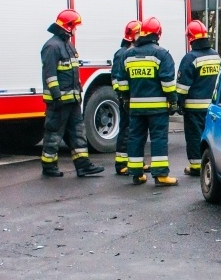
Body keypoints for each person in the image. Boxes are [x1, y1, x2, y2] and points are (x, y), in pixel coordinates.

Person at [40, 9, 104, 177]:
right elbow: (50, 74)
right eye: (75, 26)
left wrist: (79, 92)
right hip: (59, 101)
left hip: (73, 99)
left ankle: (83, 165)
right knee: (54, 133)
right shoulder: (52, 46)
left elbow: (73, 72)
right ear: (67, 27)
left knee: (78, 132)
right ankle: (49, 166)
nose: (76, 30)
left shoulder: (67, 45)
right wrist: (57, 96)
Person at [122, 16, 179, 186]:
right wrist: (173, 101)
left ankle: (136, 174)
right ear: (158, 34)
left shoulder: (128, 55)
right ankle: (161, 175)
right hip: (157, 108)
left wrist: (125, 99)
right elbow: (168, 83)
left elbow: (122, 82)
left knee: (136, 138)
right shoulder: (162, 54)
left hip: (136, 108)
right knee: (159, 139)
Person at [176, 20, 221, 176]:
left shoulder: (190, 58)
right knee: (211, 136)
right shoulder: (216, 56)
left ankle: (196, 166)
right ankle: (210, 164)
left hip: (194, 108)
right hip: (213, 107)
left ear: (191, 38)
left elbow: (182, 87)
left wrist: (178, 103)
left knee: (195, 136)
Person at [111, 20, 149, 175]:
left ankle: (136, 161)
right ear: (134, 35)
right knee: (127, 129)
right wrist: (122, 95)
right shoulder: (122, 53)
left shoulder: (131, 51)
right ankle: (121, 164)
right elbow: (115, 78)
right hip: (126, 99)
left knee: (134, 131)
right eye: (140, 33)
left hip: (133, 98)